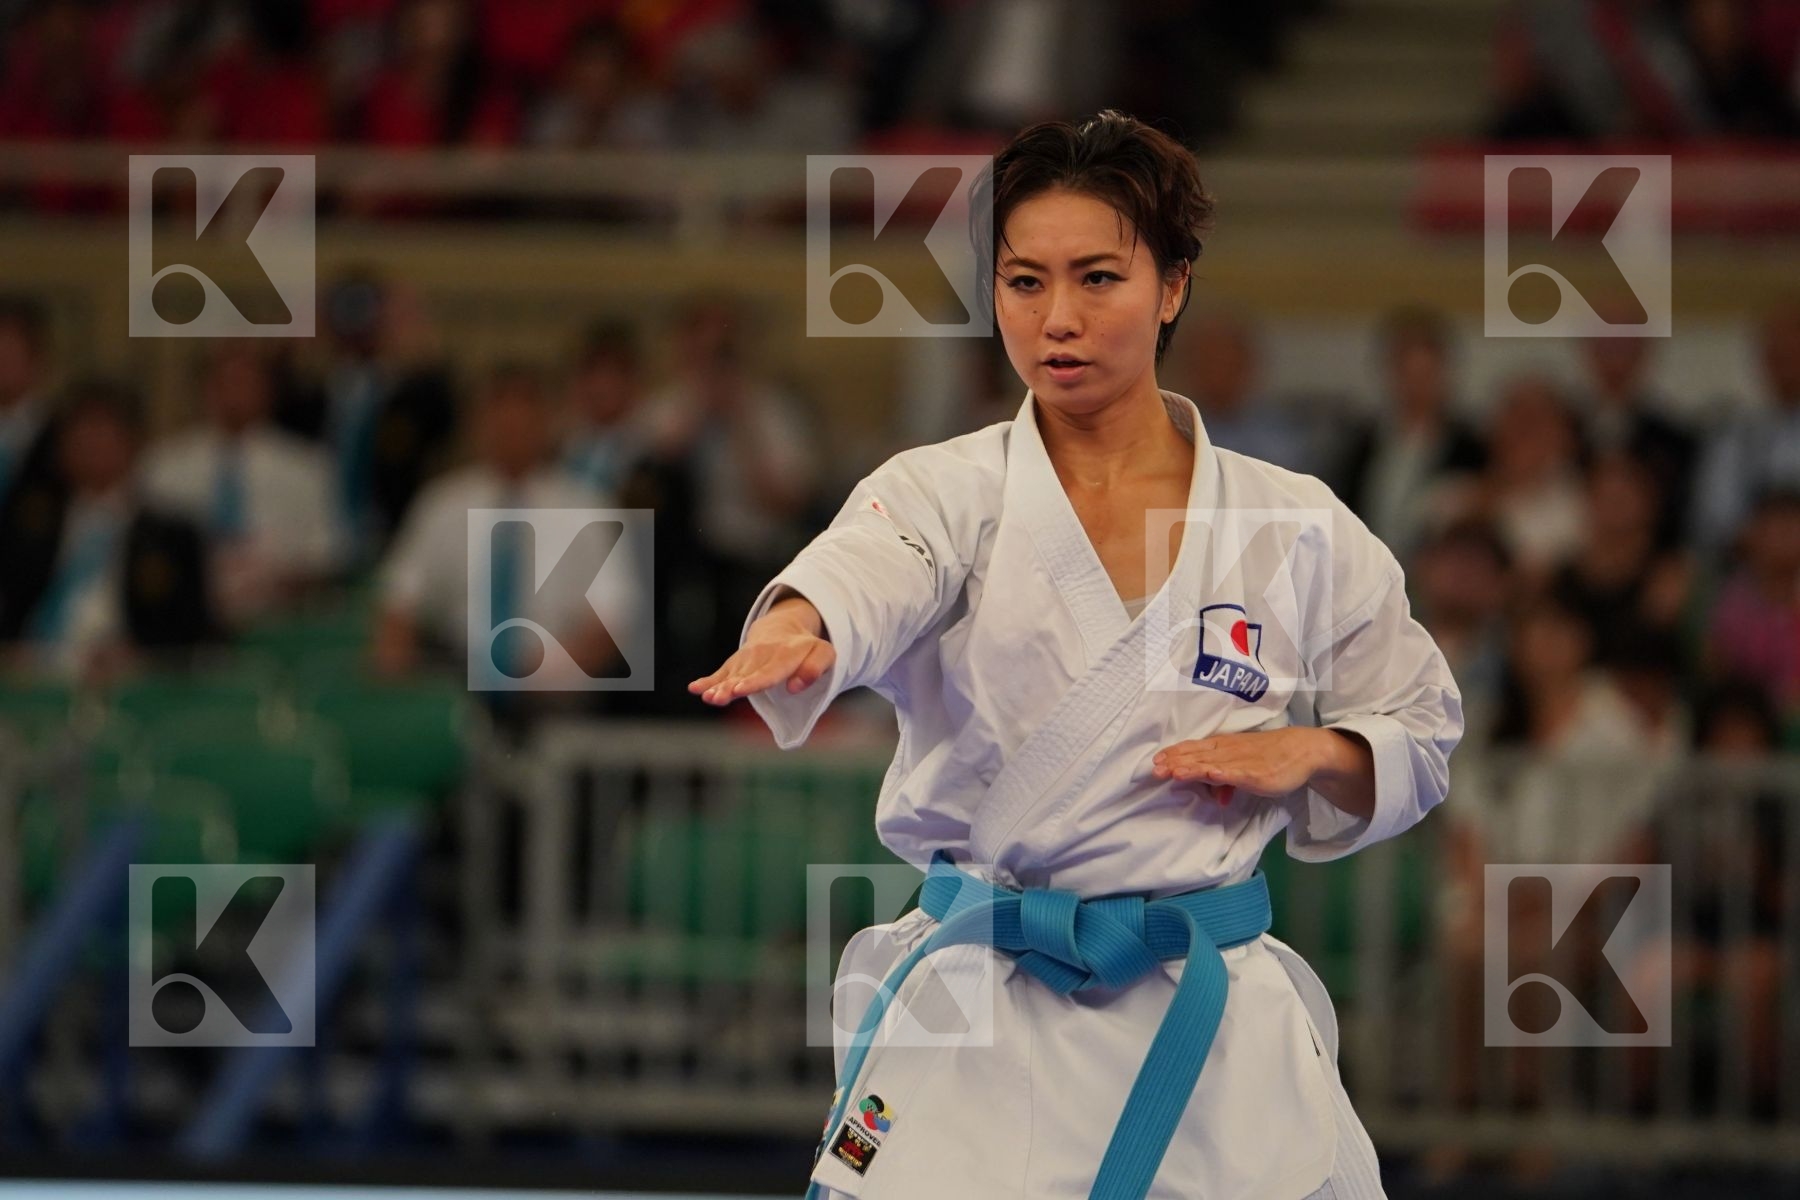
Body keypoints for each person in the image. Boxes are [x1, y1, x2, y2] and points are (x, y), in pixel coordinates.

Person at [690, 111, 1463, 1200]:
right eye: (1024, 282)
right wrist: (803, 622)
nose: (1058, 319)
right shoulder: (948, 487)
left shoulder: (1295, 523)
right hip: (982, 1003)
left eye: (1099, 278)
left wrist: (1317, 753)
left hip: (1200, 1010)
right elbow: (879, 560)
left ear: (1175, 284)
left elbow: (1421, 728)